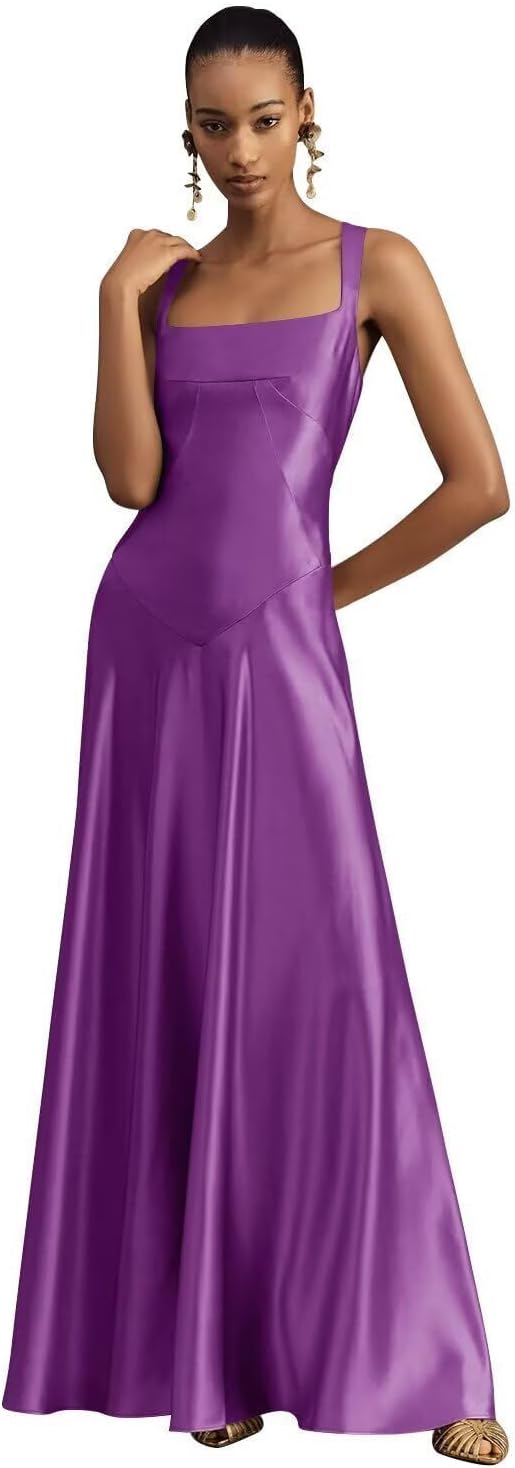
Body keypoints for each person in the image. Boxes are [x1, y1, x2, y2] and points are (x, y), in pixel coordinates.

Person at [2, 6, 510, 1463]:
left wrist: (319, 592)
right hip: (143, 653)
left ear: (307, 112)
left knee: (330, 981)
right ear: (186, 129)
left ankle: (434, 1361)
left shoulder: (375, 264)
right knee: (167, 976)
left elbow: (481, 484)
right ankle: (206, 1359)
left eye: (265, 120)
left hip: (278, 664)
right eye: (214, 125)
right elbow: (129, 481)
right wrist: (113, 300)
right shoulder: (164, 285)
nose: (241, 150)